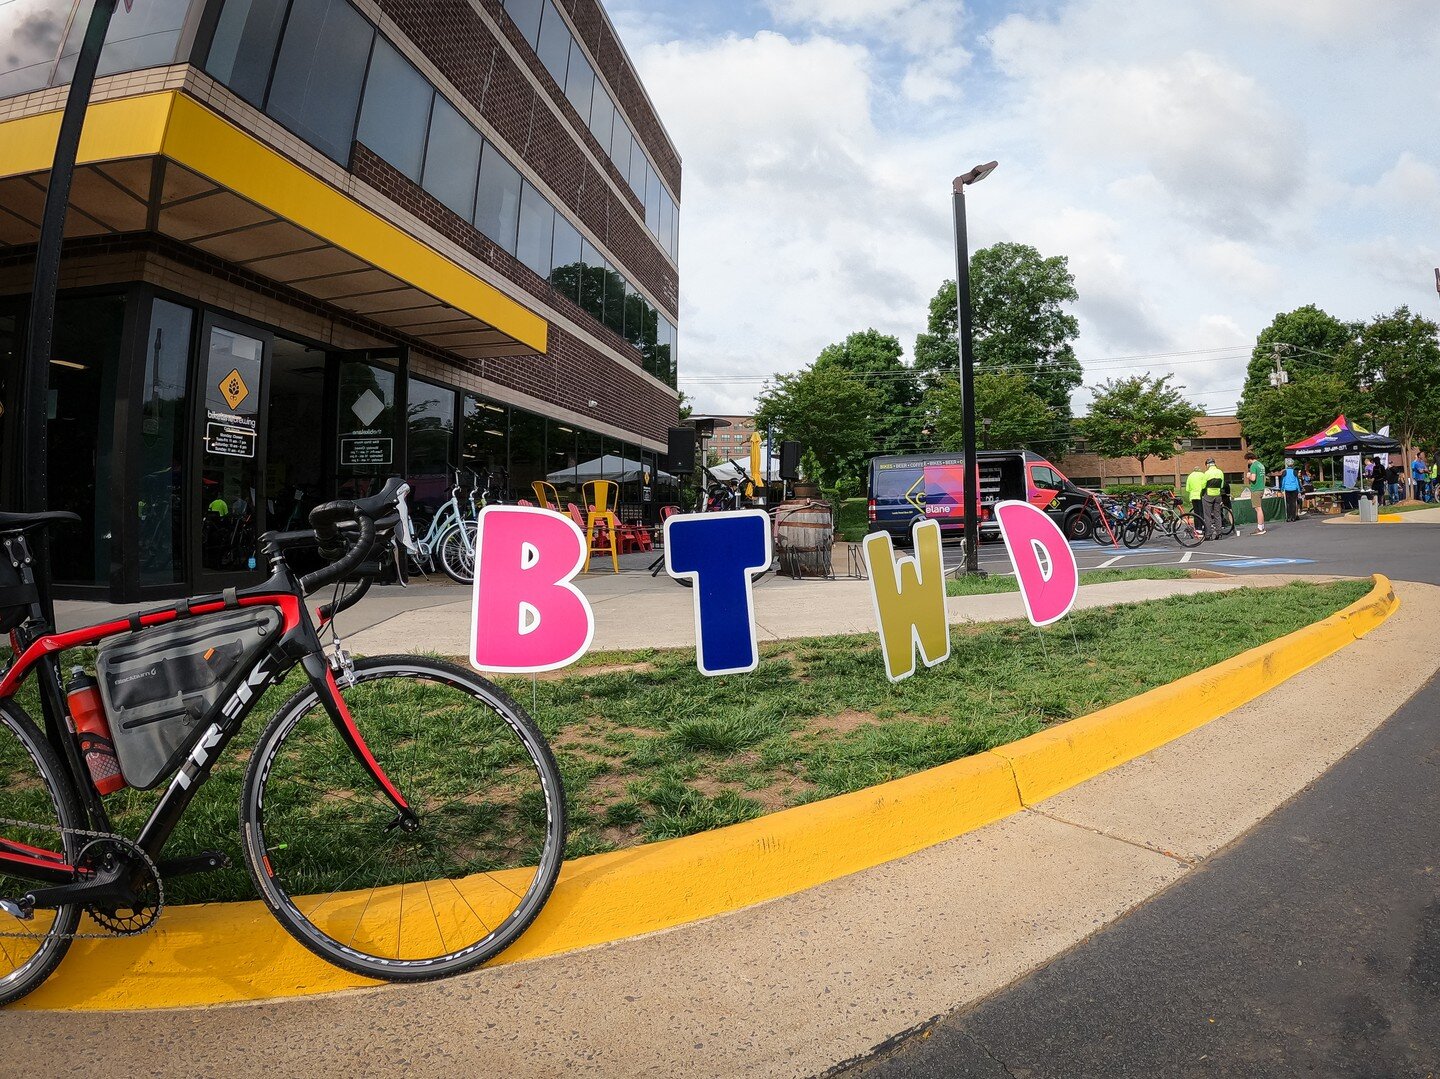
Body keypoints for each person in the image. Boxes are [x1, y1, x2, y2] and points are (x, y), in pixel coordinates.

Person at [1201, 457, 1226, 541]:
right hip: (1218, 494)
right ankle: (1219, 533)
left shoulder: (1207, 473)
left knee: (1207, 516)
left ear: (1208, 464)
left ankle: (1208, 535)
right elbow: (1222, 485)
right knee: (1217, 515)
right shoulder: (1220, 472)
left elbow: (1203, 485)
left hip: (1208, 495)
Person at [1244, 451, 1267, 536]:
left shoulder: (1253, 466)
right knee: (1259, 508)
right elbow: (1264, 478)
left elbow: (1253, 478)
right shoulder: (1261, 465)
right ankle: (1262, 526)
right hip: (1261, 488)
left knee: (1258, 509)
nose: (1247, 462)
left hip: (1256, 489)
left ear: (1249, 459)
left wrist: (1248, 476)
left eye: (1247, 460)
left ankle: (1260, 528)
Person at [1185, 465, 1206, 531]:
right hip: (1200, 495)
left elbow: (1187, 489)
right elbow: (1204, 485)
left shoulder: (1190, 476)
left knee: (1196, 512)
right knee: (1201, 512)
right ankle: (1202, 526)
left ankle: (1197, 528)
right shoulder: (1202, 475)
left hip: (1193, 496)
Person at [1280, 458, 1301, 522]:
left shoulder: (1284, 472)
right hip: (1294, 489)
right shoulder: (1294, 472)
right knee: (1293, 503)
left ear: (1287, 465)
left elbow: (1283, 481)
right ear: (1292, 465)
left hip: (1287, 489)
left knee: (1288, 503)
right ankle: (1293, 517)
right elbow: (1297, 481)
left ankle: (1288, 517)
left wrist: (1282, 489)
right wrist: (1299, 489)